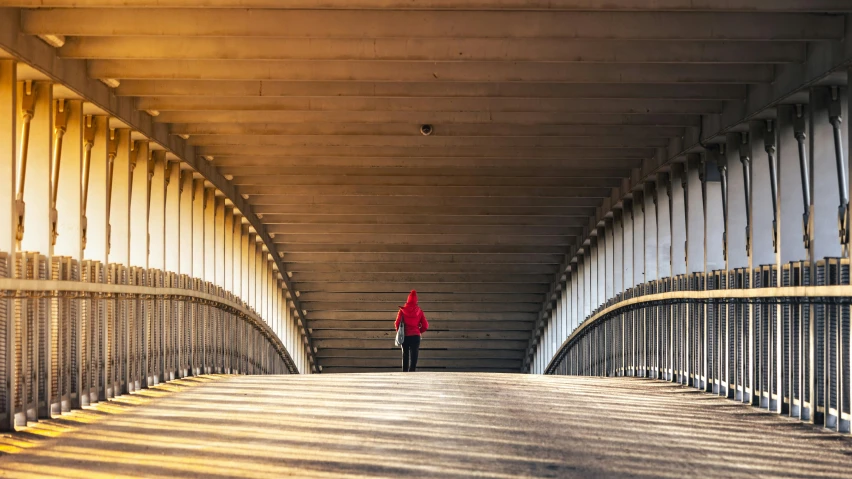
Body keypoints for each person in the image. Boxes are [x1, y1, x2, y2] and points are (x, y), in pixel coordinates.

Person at [394, 290, 429, 372]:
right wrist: (419, 331)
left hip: (405, 336)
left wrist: (400, 332)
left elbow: (397, 323)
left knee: (405, 354)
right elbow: (425, 325)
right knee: (414, 355)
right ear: (416, 300)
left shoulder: (402, 311)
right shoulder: (419, 311)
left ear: (408, 300)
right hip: (415, 336)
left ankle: (405, 373)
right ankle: (412, 371)